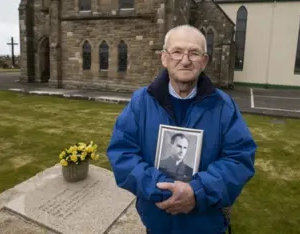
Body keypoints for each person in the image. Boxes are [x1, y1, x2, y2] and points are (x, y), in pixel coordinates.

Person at [107, 25, 257, 234]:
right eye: (177, 52)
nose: (185, 60)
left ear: (204, 61)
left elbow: (240, 160)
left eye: (194, 53)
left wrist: (197, 193)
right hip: (157, 222)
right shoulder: (141, 102)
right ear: (164, 58)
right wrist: (161, 189)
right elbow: (122, 153)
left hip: (206, 225)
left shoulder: (223, 106)